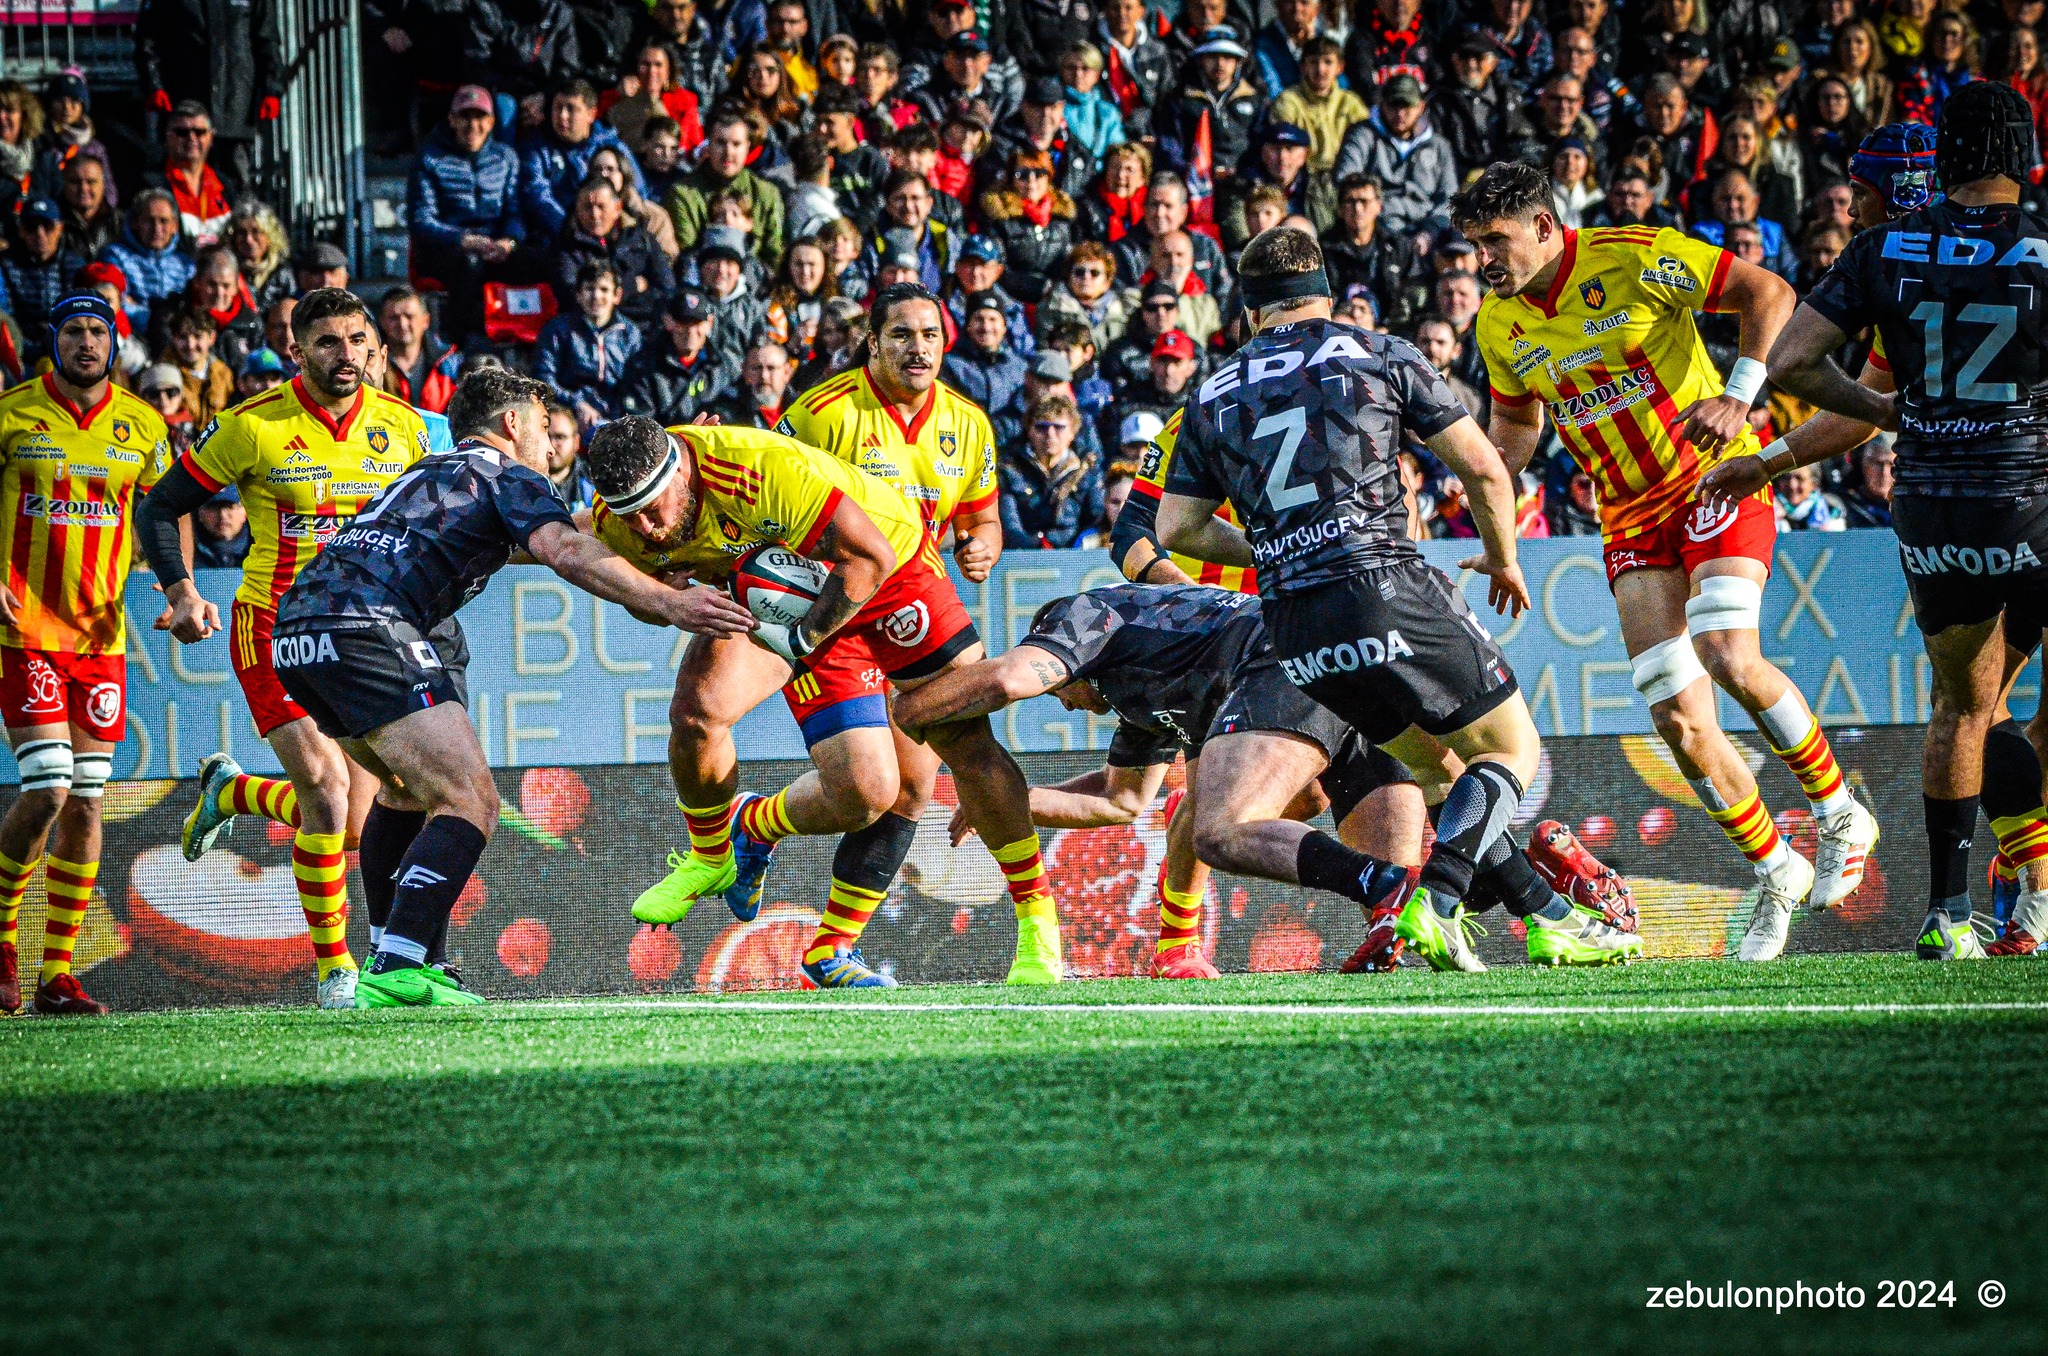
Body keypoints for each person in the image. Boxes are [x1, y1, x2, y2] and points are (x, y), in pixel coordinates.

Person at [1154, 226, 1631, 974]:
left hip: (1293, 625)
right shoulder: (1381, 352)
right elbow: (1484, 469)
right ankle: (1436, 903)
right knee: (1512, 751)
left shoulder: (1211, 392)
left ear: (1248, 313)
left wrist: (1281, 547)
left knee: (1444, 775)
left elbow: (1175, 527)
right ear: (1328, 294)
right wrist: (1504, 560)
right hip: (1384, 587)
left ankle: (1553, 918)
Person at [1458, 162, 1879, 966]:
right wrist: (1494, 504)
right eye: (1476, 243)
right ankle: (1776, 868)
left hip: (1712, 477)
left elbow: (1770, 294)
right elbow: (1515, 429)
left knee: (1727, 651)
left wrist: (1741, 394)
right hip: (1627, 515)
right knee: (1676, 719)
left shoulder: (1633, 254)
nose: (1484, 258)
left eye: (1495, 239)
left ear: (1545, 227)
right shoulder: (1498, 323)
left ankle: (1837, 812)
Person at [267, 369, 738, 1006]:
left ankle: (399, 957)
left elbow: (562, 535)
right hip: (365, 627)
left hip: (298, 633)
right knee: (470, 801)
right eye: (546, 430)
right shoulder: (508, 475)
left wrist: (675, 468)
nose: (553, 448)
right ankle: (396, 970)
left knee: (406, 795)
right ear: (512, 425)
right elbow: (566, 551)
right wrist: (670, 603)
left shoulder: (435, 472)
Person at [582, 408, 1063, 987]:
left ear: (680, 472)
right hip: (789, 593)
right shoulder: (619, 518)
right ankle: (716, 851)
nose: (646, 531)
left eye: (652, 512)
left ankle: (1039, 927)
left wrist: (801, 640)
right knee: (709, 718)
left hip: (888, 573)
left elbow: (870, 558)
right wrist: (658, 596)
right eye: (630, 519)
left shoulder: (754, 467)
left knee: (965, 745)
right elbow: (629, 581)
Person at [1763, 84, 2048, 961]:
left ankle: (1947, 913)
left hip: (1936, 506)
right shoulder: (2043, 247)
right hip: (2035, 493)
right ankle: (2035, 898)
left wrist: (1895, 413)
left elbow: (1791, 362)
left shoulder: (1885, 246)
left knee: (1963, 707)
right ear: (2023, 152)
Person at [895, 585, 1439, 979]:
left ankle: (1382, 885)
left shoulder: (1083, 615)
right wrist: (1014, 803)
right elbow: (1123, 800)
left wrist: (907, 707)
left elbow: (1010, 677)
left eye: (1059, 689)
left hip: (1278, 657)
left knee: (1219, 826)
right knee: (1384, 897)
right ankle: (1510, 902)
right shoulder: (1135, 689)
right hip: (1314, 665)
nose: (1064, 702)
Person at [138, 289, 433, 1011]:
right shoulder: (251, 427)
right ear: (296, 350)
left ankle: (231, 791)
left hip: (364, 637)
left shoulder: (407, 429)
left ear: (374, 348)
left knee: (356, 820)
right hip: (273, 627)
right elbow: (159, 505)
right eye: (327, 342)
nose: (346, 355)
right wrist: (179, 590)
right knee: (328, 793)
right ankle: (337, 971)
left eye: (357, 340)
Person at [767, 283, 1010, 985]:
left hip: (911, 616)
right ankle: (752, 826)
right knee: (866, 788)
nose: (918, 348)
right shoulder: (819, 414)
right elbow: (767, 504)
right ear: (871, 343)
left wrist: (982, 547)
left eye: (930, 335)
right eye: (900, 334)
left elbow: (981, 520)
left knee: (914, 787)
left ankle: (830, 949)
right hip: (834, 614)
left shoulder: (968, 424)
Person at [0, 294, 170, 1016]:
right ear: (54, 341)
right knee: (48, 788)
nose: (87, 341)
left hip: (102, 640)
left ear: (115, 342)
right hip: (26, 630)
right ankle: (5, 937)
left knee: (89, 804)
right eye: (73, 329)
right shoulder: (11, 414)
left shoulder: (143, 424)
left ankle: (56, 975)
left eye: (99, 330)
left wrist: (181, 587)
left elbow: (164, 511)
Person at [408, 86, 524, 342]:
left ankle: (523, 337)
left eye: (480, 117)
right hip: (446, 246)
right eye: (465, 117)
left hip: (494, 242)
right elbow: (421, 219)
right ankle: (459, 340)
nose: (472, 125)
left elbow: (515, 212)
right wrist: (462, 239)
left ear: (492, 122)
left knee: (534, 258)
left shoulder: (507, 158)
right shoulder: (430, 158)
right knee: (470, 264)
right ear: (452, 119)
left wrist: (509, 241)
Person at [533, 261, 643, 430]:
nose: (597, 296)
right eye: (590, 289)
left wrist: (618, 413)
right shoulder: (558, 330)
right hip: (568, 413)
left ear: (617, 295)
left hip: (617, 416)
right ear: (578, 294)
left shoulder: (629, 333)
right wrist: (576, 403)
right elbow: (544, 378)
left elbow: (637, 383)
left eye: (604, 289)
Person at [619, 287, 738, 425]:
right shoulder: (642, 366)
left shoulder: (723, 365)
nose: (690, 330)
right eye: (683, 322)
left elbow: (730, 412)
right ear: (668, 321)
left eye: (697, 323)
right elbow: (640, 424)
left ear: (709, 324)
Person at [99, 189, 193, 336]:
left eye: (164, 221)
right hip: (132, 336)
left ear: (175, 226)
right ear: (135, 223)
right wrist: (154, 320)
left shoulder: (185, 264)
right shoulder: (115, 256)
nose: (157, 229)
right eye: (149, 220)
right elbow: (117, 302)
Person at [153, 102, 233, 245]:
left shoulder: (226, 185)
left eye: (199, 132)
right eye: (182, 133)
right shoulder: (152, 185)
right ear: (168, 136)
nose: (191, 138)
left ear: (211, 137)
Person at [379, 285, 461, 415]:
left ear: (425, 320)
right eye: (394, 318)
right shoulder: (373, 364)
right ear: (382, 322)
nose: (402, 324)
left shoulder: (451, 365)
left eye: (409, 316)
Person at [544, 400, 595, 512]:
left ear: (576, 441)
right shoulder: (521, 485)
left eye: (560, 437)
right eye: (546, 436)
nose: (551, 444)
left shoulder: (593, 481)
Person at [193, 485, 250, 568]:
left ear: (244, 511)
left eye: (230, 507)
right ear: (200, 513)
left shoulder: (262, 548)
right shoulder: (184, 550)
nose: (222, 515)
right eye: (214, 507)